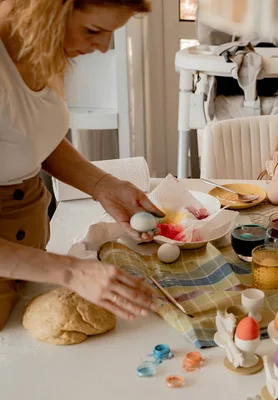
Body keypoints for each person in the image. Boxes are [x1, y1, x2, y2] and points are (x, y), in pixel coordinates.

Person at [0, 0, 161, 330]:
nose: (103, 47)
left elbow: (26, 135)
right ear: (46, 10)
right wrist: (70, 271)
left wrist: (102, 185)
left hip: (27, 255)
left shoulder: (39, 47)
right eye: (93, 30)